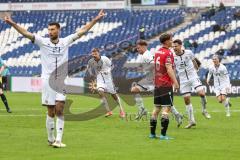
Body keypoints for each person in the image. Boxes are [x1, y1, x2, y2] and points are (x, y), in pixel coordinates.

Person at [4, 10, 105, 148]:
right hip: (47, 80)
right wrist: (12, 23)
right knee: (50, 111)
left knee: (59, 109)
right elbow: (26, 33)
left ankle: (58, 139)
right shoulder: (42, 42)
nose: (50, 32)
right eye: (49, 30)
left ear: (58, 30)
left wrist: (95, 20)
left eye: (52, 29)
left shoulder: (65, 41)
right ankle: (50, 139)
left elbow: (82, 31)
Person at [132, 40, 183, 127]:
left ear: (144, 46)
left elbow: (154, 66)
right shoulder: (144, 55)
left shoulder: (147, 55)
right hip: (151, 79)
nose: (137, 50)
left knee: (164, 102)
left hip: (153, 80)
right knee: (134, 90)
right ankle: (142, 109)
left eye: (138, 48)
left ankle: (177, 115)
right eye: (137, 48)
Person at [172, 39, 211, 129]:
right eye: (173, 46)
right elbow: (173, 70)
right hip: (183, 80)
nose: (174, 48)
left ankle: (204, 110)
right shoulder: (173, 57)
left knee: (202, 93)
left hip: (193, 77)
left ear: (181, 46)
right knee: (186, 100)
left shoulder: (189, 52)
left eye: (176, 46)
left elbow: (194, 61)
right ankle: (191, 121)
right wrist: (175, 81)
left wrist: (196, 70)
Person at [149, 33, 179, 140]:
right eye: (171, 40)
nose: (172, 41)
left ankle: (152, 134)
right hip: (166, 85)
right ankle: (163, 135)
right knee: (167, 109)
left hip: (157, 84)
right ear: (166, 41)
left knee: (156, 108)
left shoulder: (157, 52)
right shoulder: (168, 53)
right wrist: (175, 82)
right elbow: (169, 68)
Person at [87, 48, 125, 118]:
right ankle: (108, 111)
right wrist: (91, 73)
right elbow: (88, 67)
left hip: (108, 79)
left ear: (99, 53)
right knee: (100, 91)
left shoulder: (105, 59)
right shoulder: (91, 61)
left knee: (113, 95)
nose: (94, 55)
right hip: (99, 79)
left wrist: (108, 71)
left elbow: (112, 66)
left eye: (95, 53)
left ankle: (121, 110)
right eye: (93, 54)